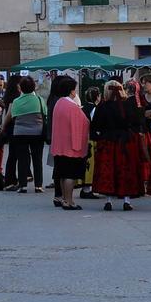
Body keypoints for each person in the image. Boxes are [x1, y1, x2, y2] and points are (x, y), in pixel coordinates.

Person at [91, 80, 146, 211]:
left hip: (108, 142)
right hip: (126, 142)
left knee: (108, 171)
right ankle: (126, 200)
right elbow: (138, 122)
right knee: (126, 170)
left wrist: (99, 137)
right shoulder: (129, 104)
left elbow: (95, 126)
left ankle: (108, 201)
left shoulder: (103, 106)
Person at [51, 77, 90, 211]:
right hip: (70, 147)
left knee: (62, 174)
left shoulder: (59, 103)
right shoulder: (72, 106)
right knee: (70, 175)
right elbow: (84, 122)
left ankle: (64, 199)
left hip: (59, 145)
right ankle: (69, 201)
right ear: (72, 91)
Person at [4, 76, 47, 194]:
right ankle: (38, 185)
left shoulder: (17, 101)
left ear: (21, 88)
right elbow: (45, 114)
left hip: (20, 133)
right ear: (34, 87)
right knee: (37, 159)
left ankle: (23, 185)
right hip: (37, 133)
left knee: (22, 159)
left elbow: (13, 116)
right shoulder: (39, 100)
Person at [46, 77, 78, 206]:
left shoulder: (53, 100)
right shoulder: (61, 102)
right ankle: (62, 196)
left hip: (55, 138)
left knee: (59, 168)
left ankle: (59, 195)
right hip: (62, 139)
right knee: (64, 169)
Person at [0, 75, 24, 189]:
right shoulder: (16, 97)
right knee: (15, 155)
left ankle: (11, 179)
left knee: (13, 154)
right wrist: (3, 126)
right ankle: (11, 180)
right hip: (14, 126)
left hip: (11, 127)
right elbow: (9, 114)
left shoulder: (8, 96)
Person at [79, 85, 102, 200]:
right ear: (97, 97)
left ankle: (85, 188)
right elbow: (96, 124)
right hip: (91, 139)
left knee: (85, 164)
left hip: (83, 138)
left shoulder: (82, 108)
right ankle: (87, 189)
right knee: (90, 165)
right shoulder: (95, 109)